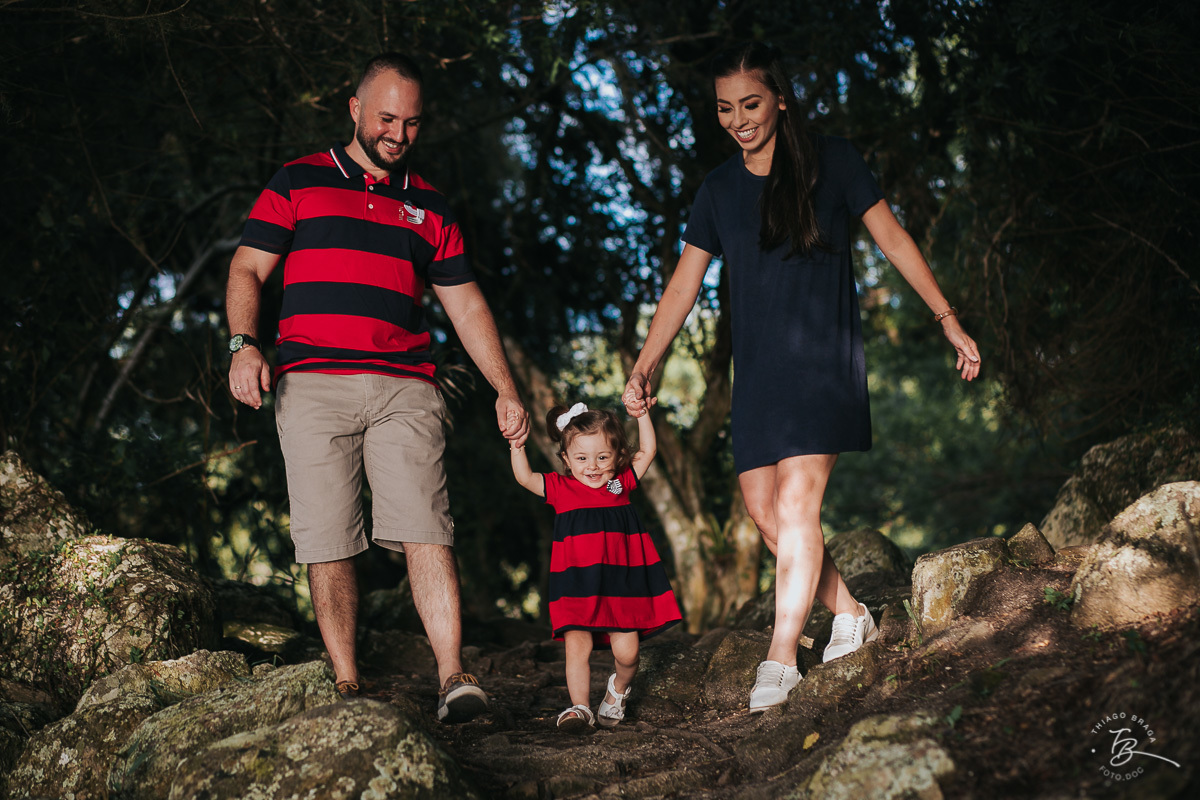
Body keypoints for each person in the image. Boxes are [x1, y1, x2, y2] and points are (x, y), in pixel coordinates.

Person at [622, 43, 981, 712]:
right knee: (765, 515)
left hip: (822, 364)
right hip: (759, 378)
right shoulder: (718, 191)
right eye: (725, 109)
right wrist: (646, 364)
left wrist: (947, 319)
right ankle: (851, 614)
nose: (739, 120)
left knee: (796, 508)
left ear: (780, 98)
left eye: (751, 104)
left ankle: (781, 657)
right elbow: (682, 286)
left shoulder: (834, 161)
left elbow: (893, 238)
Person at [225, 52, 530, 723]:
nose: (398, 132)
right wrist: (244, 345)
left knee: (427, 526)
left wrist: (505, 389)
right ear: (356, 109)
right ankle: (347, 687)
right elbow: (248, 268)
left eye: (412, 122)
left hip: (404, 386)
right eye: (387, 117)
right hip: (311, 385)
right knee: (328, 538)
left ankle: (454, 677)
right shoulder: (297, 181)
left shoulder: (431, 206)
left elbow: (468, 306)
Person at [510, 402, 682, 732]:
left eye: (602, 457)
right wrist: (517, 445)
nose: (592, 467)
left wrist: (642, 414)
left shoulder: (620, 485)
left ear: (617, 457)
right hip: (575, 583)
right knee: (578, 647)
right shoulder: (561, 489)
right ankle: (579, 708)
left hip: (620, 584)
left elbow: (648, 450)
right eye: (581, 458)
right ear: (565, 459)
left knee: (629, 654)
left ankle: (617, 691)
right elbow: (524, 477)